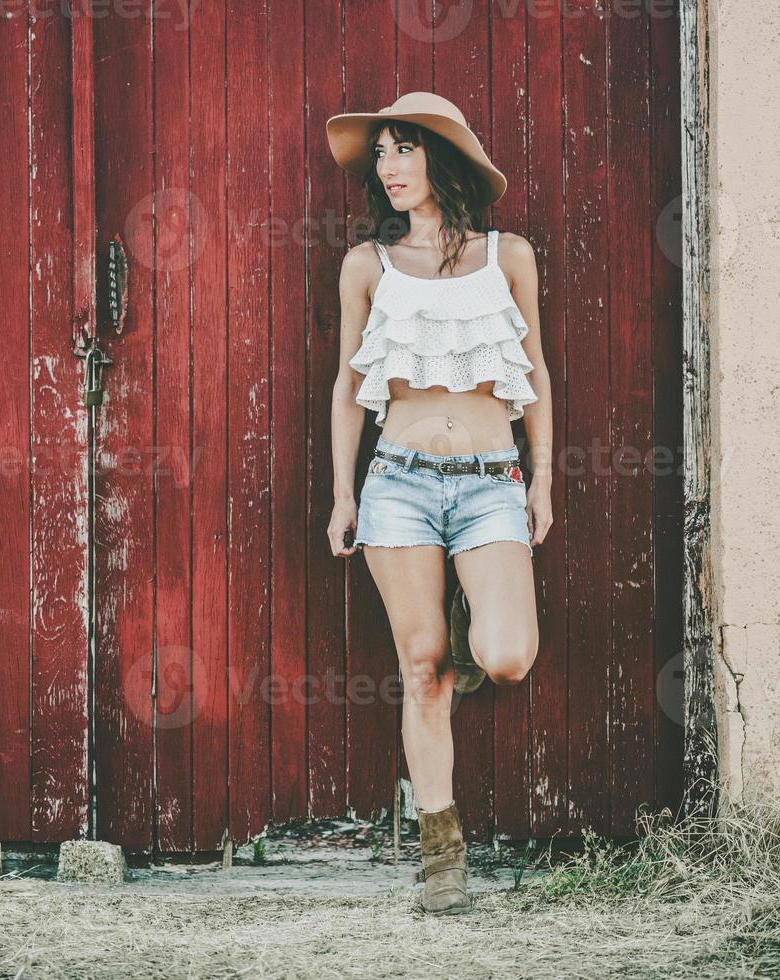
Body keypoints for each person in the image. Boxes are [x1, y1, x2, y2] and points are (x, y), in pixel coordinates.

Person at [324, 92, 555, 915]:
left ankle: (468, 618)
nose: (387, 166)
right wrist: (346, 493)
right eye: (379, 153)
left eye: (402, 150)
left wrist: (545, 478)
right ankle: (441, 854)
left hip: (493, 481)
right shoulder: (366, 266)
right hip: (400, 487)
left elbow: (537, 375)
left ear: (439, 160)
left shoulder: (509, 256)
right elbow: (351, 390)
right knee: (421, 673)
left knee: (504, 656)